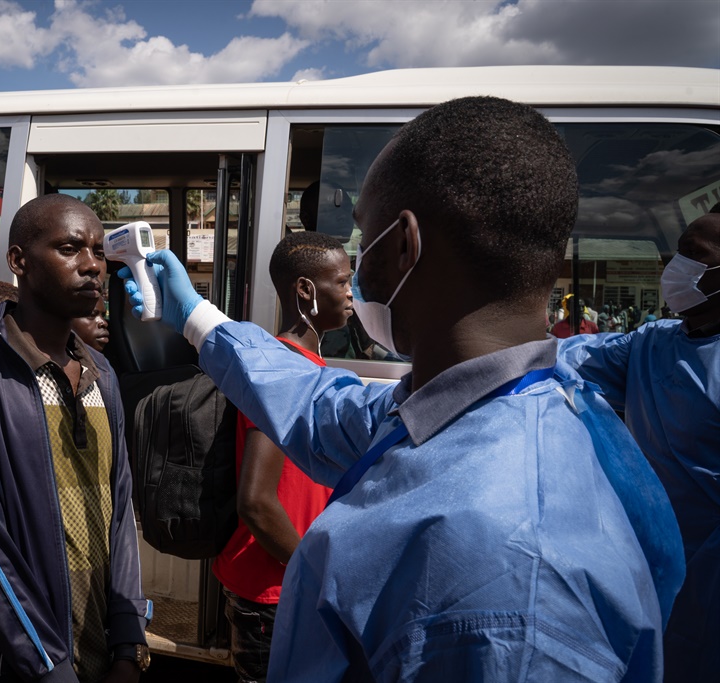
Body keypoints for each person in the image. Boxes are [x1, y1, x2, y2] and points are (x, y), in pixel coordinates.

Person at [120, 96, 684, 681]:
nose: (357, 270)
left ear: (404, 245)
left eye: (363, 236)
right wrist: (195, 317)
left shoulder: (515, 588)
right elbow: (320, 407)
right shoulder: (510, 399)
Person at [0, 194, 150, 683]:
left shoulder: (101, 373)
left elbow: (121, 510)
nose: (92, 265)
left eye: (97, 250)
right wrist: (47, 665)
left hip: (102, 656)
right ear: (19, 260)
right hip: (18, 664)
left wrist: (129, 643)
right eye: (70, 248)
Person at [558, 207, 720, 682]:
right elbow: (558, 358)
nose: (676, 266)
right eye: (678, 251)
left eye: (694, 256)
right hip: (653, 564)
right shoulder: (653, 343)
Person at [212, 231, 350, 683]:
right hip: (272, 596)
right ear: (306, 291)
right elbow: (256, 501)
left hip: (288, 586)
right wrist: (313, 575)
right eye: (343, 282)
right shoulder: (278, 371)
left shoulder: (309, 367)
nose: (351, 293)